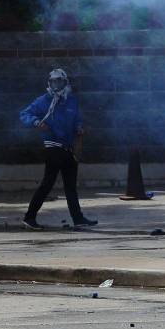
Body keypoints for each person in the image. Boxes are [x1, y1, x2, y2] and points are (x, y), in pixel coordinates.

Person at [19, 68, 97, 230]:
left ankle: (78, 219)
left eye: (59, 81)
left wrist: (79, 127)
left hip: (68, 149)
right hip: (52, 147)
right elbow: (24, 114)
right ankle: (29, 217)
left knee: (70, 187)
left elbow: (77, 119)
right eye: (53, 81)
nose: (56, 84)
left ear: (65, 82)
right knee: (47, 183)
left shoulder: (71, 100)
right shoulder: (43, 100)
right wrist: (35, 122)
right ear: (49, 83)